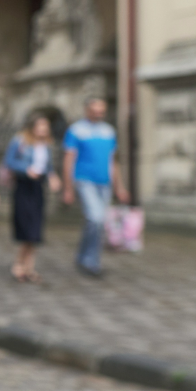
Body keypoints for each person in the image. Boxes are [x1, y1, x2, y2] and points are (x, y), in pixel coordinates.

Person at [62, 97, 128, 276]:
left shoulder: (109, 131)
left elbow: (112, 161)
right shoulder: (76, 130)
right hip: (84, 180)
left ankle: (83, 256)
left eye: (102, 110)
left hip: (104, 182)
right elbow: (69, 159)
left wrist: (119, 187)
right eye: (95, 110)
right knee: (96, 218)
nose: (99, 113)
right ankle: (91, 262)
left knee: (95, 221)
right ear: (87, 110)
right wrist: (68, 188)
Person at [4, 113, 61, 283]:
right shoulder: (20, 141)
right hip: (23, 186)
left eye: (46, 126)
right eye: (40, 126)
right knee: (26, 225)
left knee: (36, 228)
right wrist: (26, 169)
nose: (43, 129)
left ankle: (28, 267)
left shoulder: (47, 146)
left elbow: (48, 167)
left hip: (38, 187)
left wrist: (52, 177)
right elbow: (9, 161)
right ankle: (19, 265)